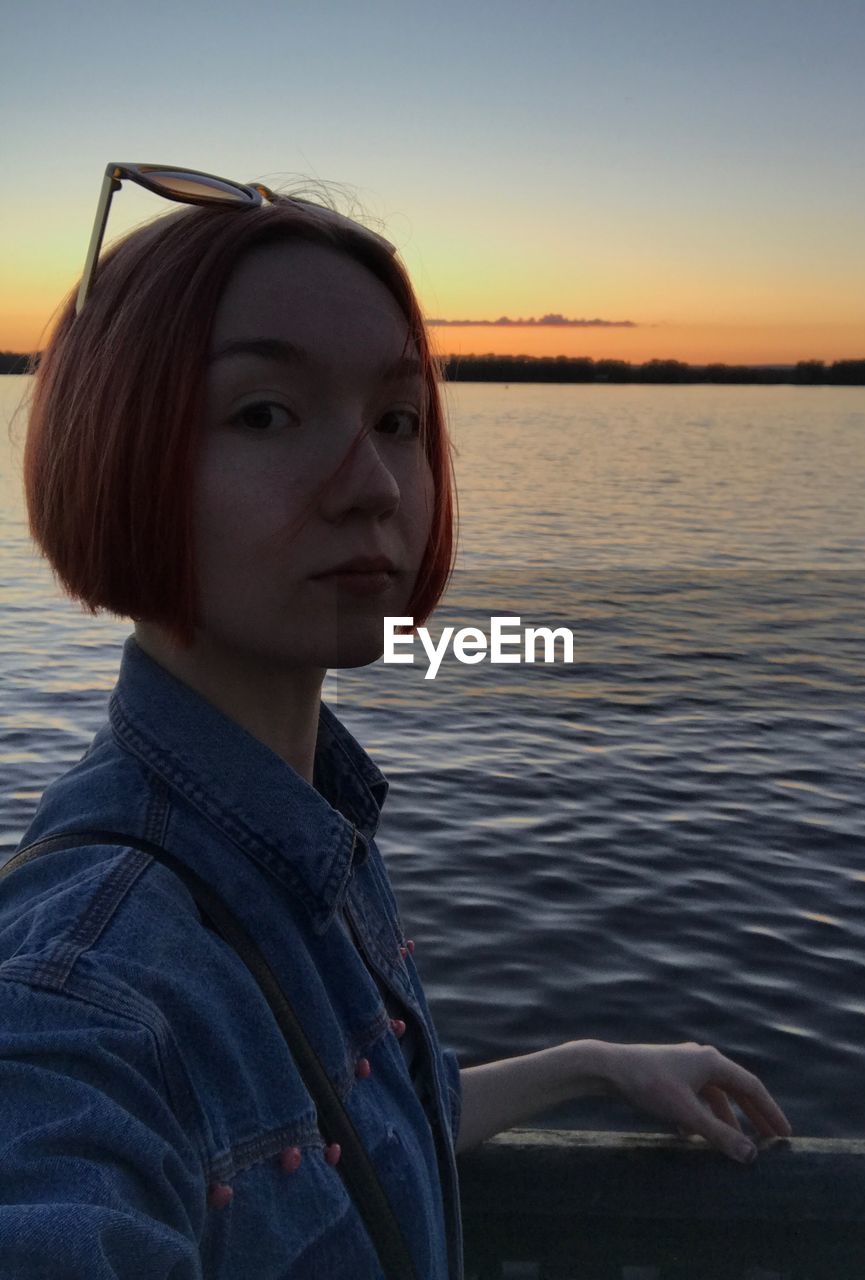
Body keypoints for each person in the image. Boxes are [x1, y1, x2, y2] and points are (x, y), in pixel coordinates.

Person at [0, 164, 791, 1279]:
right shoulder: (87, 982)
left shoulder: (301, 831)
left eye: (398, 416)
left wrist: (591, 1059)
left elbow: (334, 1123)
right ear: (114, 444)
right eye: (265, 411)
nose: (371, 481)